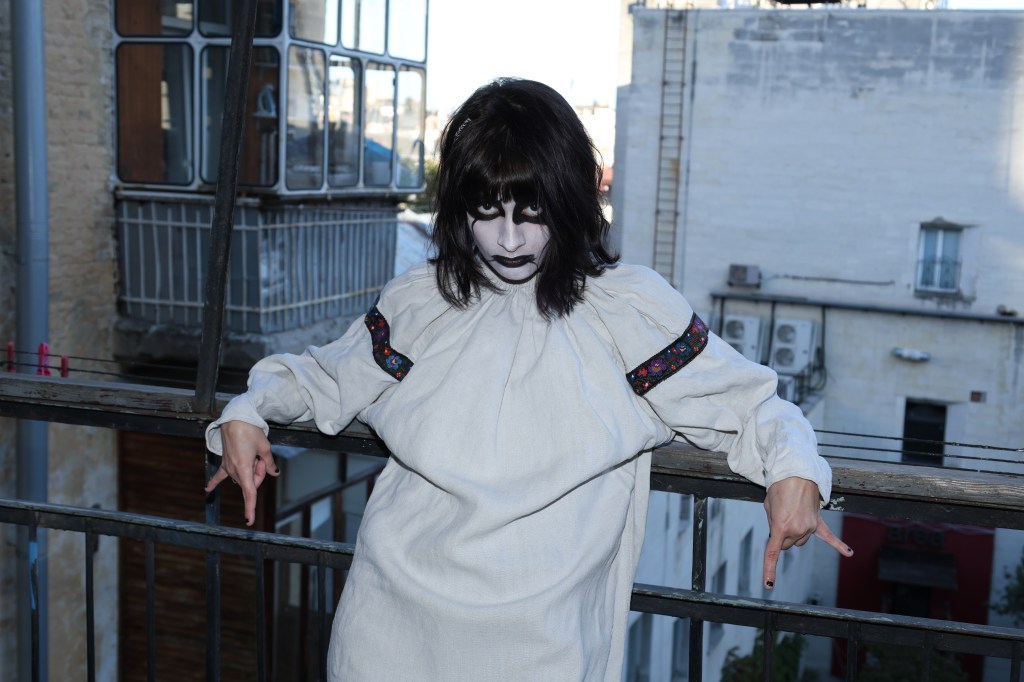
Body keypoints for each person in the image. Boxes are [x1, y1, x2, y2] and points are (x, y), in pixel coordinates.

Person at [205, 77, 853, 681]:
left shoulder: (628, 314)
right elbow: (325, 378)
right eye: (487, 210)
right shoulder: (422, 302)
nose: (509, 239)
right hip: (386, 640)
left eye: (532, 211)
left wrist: (794, 471)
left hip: (543, 656)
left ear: (569, 201)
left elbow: (748, 405)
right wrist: (248, 410)